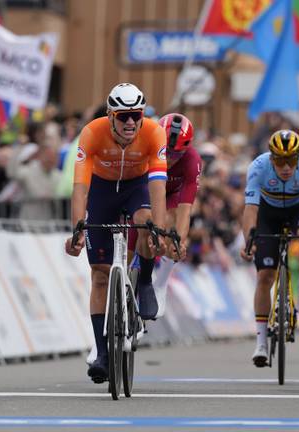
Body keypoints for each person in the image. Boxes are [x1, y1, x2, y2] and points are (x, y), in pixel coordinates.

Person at [64, 83, 168, 384]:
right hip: (102, 190)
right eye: (123, 117)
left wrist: (159, 231)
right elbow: (80, 186)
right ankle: (102, 352)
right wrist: (78, 227)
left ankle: (145, 280)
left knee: (147, 222)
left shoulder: (153, 133)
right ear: (110, 115)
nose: (131, 123)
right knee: (99, 274)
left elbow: (158, 186)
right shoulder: (92, 132)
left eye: (136, 115)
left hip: (137, 188)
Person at [239, 129, 299, 367]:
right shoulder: (258, 168)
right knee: (265, 276)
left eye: (291, 161)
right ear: (271, 158)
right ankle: (261, 344)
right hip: (269, 214)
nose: (286, 167)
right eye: (279, 161)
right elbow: (250, 210)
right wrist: (248, 240)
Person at [139, 113, 202, 317]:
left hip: (172, 195)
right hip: (146, 190)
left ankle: (161, 281)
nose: (171, 159)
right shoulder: (145, 146)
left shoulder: (192, 160)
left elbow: (185, 209)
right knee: (143, 219)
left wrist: (179, 241)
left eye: (177, 154)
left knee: (171, 228)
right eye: (167, 153)